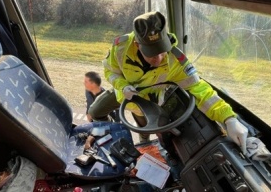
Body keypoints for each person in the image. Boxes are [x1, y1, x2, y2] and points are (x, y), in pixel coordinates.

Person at [88, 11, 248, 154]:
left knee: (145, 129)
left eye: (161, 51)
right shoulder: (121, 48)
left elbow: (200, 89)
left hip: (151, 102)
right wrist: (122, 86)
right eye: (151, 54)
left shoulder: (176, 61)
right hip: (124, 95)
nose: (158, 59)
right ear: (137, 45)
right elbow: (110, 71)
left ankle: (144, 141)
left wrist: (229, 119)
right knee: (95, 111)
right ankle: (112, 135)